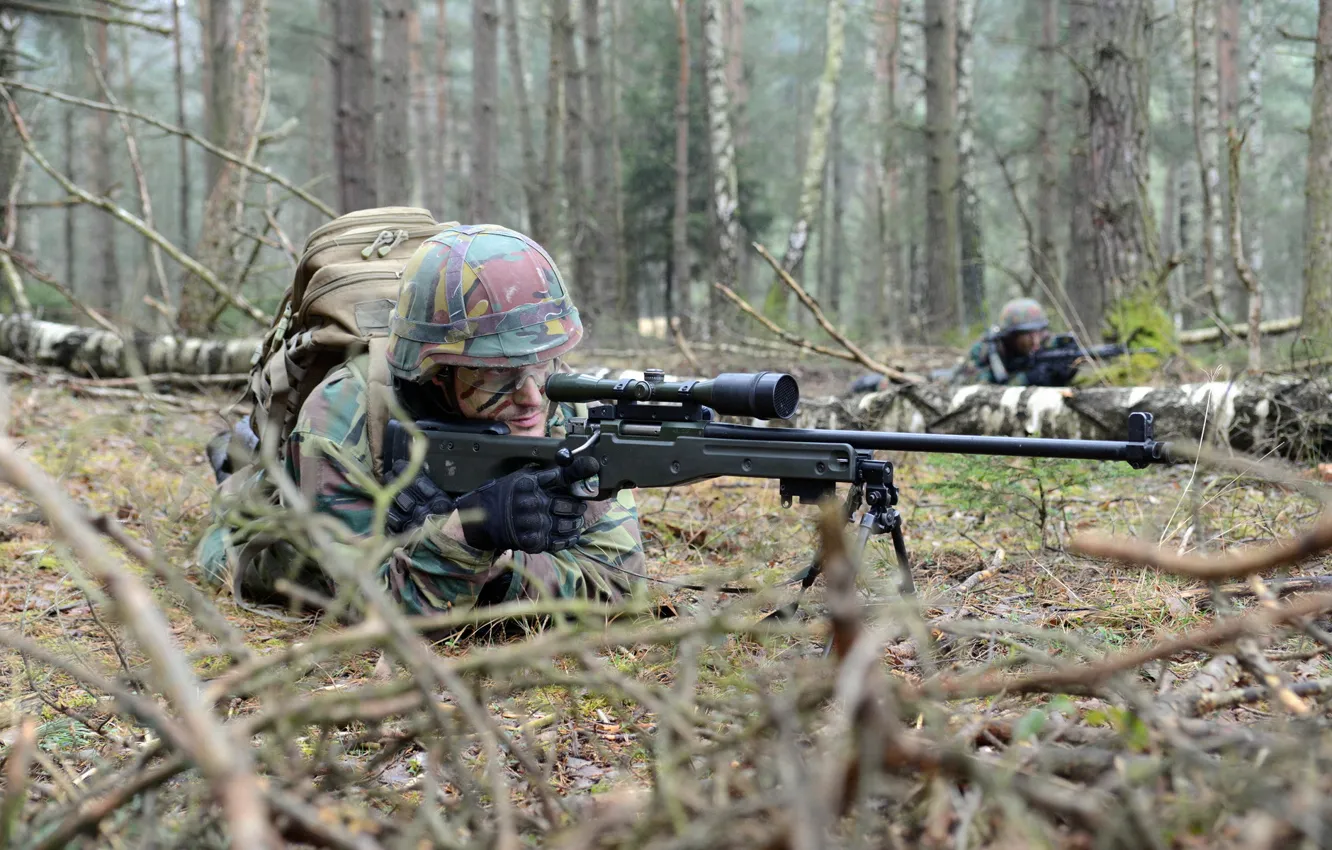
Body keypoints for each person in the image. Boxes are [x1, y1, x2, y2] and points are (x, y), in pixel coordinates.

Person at [198, 224, 645, 616]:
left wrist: (496, 566)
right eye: (495, 374)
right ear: (435, 371)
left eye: (543, 363)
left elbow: (620, 583)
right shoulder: (343, 416)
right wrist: (471, 529)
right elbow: (374, 609)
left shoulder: (562, 401)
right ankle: (240, 462)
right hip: (288, 547)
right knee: (230, 535)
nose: (532, 398)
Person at [949, 298, 1074, 386]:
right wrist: (1026, 379)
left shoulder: (1044, 341)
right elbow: (976, 387)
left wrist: (1064, 372)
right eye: (1028, 335)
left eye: (1039, 332)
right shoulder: (986, 350)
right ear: (1011, 335)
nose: (1036, 341)